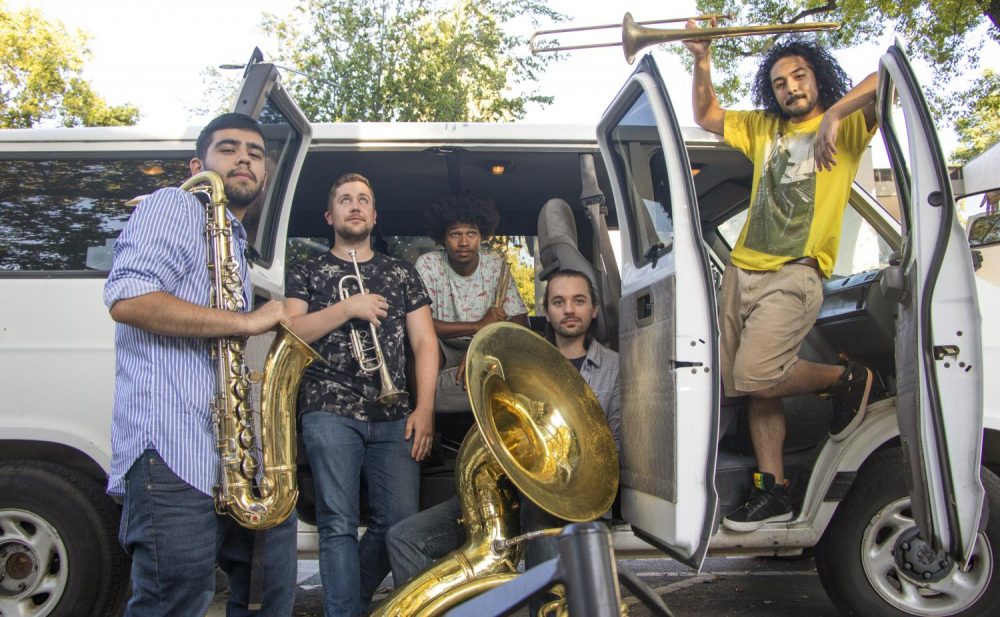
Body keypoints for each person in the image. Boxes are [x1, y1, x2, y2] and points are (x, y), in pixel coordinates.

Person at [684, 22, 879, 532]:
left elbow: (887, 76)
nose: (791, 87)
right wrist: (702, 59)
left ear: (818, 79)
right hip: (741, 271)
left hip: (796, 273)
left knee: (755, 374)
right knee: (749, 388)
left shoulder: (850, 126)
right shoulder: (764, 129)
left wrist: (836, 113)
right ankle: (773, 491)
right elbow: (705, 114)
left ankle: (847, 378)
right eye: (780, 82)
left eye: (800, 75)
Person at [104, 112, 297, 617]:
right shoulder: (174, 205)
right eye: (229, 149)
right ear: (199, 165)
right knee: (175, 602)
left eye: (255, 154)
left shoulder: (231, 236)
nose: (245, 159)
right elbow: (131, 299)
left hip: (227, 450)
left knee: (266, 585)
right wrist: (246, 322)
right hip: (173, 449)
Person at [384, 269, 621, 612]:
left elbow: (612, 452)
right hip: (503, 490)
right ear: (546, 309)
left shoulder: (614, 368)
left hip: (568, 500)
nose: (569, 309)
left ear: (594, 309)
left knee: (539, 520)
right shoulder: (519, 356)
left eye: (578, 300)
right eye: (558, 302)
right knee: (404, 539)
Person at [284, 172, 438, 616]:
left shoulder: (401, 272)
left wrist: (425, 408)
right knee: (337, 523)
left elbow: (425, 344)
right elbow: (292, 331)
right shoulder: (308, 271)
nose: (355, 206)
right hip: (329, 407)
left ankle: (348, 601)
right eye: (346, 200)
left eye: (364, 200)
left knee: (399, 522)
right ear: (330, 215)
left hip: (394, 413)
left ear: (374, 215)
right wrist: (348, 307)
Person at [414, 192, 529, 409]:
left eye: (471, 233)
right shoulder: (428, 264)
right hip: (441, 345)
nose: (464, 242)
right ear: (442, 238)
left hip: (485, 344)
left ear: (482, 235)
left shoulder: (496, 267)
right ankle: (423, 416)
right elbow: (422, 325)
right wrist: (478, 325)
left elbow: (520, 322)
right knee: (418, 345)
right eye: (455, 234)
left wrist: (480, 345)